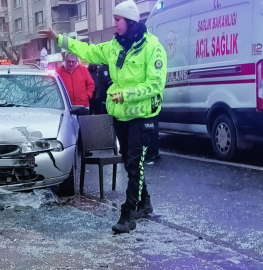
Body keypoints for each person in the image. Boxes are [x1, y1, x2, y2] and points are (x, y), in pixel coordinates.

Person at [39, 0, 167, 234]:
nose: (114, 24)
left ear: (129, 21)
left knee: (134, 162)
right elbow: (88, 51)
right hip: (120, 115)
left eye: (117, 20)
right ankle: (145, 203)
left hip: (143, 114)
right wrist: (59, 38)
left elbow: (156, 85)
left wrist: (126, 94)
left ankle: (128, 214)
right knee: (132, 164)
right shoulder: (114, 46)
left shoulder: (153, 47)